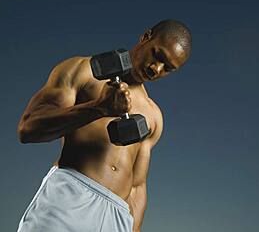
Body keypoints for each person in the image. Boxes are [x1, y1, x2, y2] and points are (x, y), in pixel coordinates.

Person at [16, 19, 192, 232]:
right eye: (157, 56)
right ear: (146, 37)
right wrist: (98, 108)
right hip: (71, 194)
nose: (157, 69)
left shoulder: (154, 116)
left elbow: (137, 187)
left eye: (168, 69)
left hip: (117, 216)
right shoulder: (83, 71)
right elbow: (28, 129)